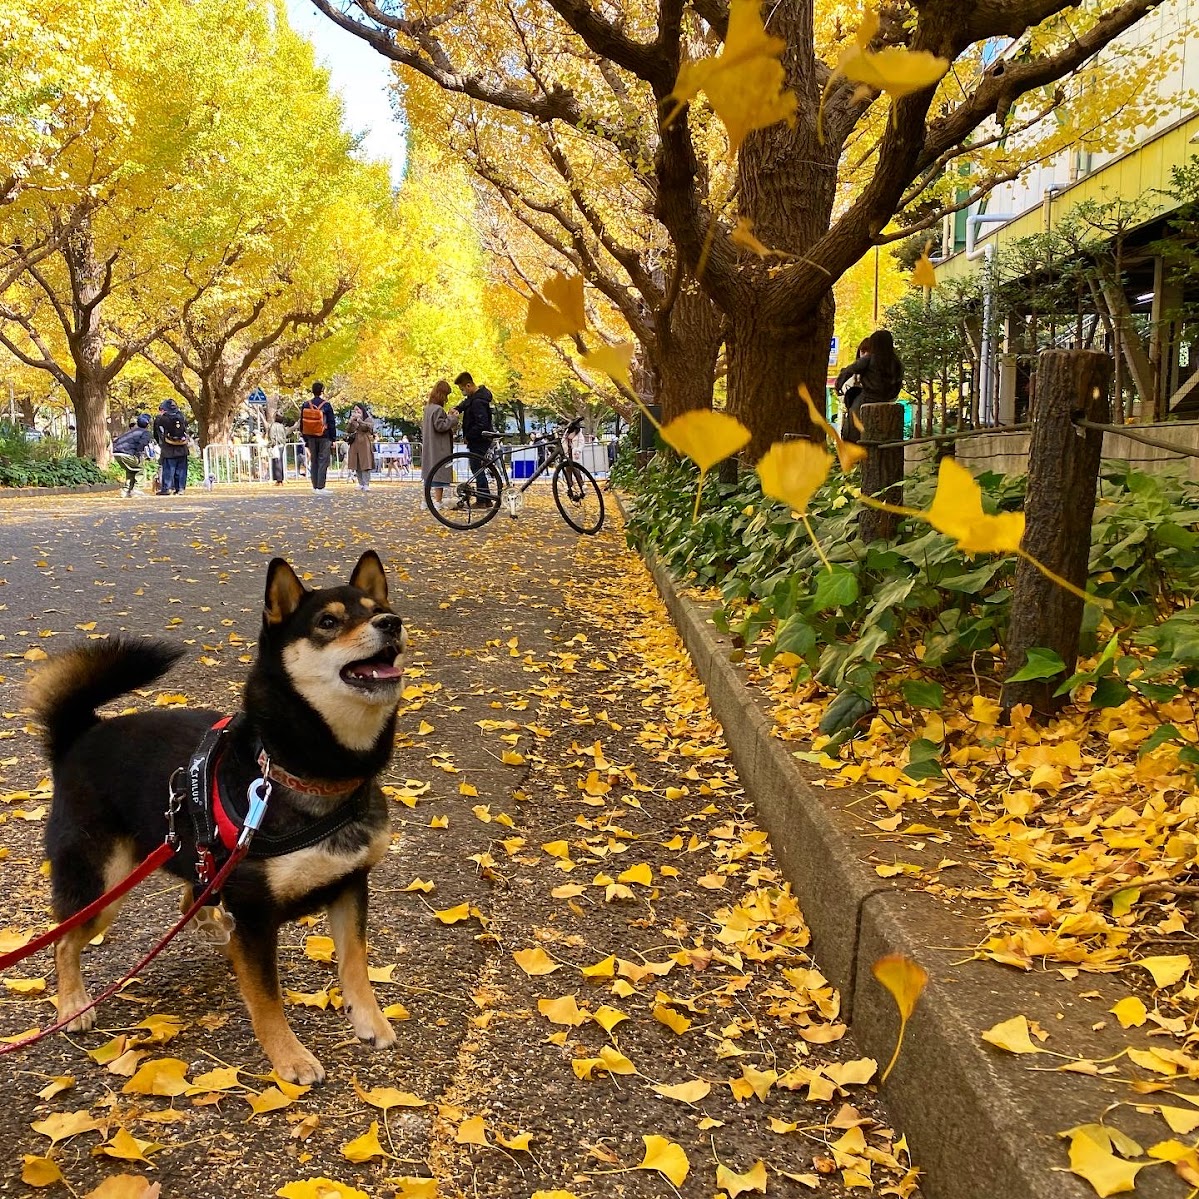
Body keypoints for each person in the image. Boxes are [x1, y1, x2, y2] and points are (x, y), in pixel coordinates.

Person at [834, 329, 904, 444]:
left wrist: (838, 387)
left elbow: (848, 371)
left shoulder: (869, 359)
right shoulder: (896, 362)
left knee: (853, 428)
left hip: (866, 399)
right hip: (887, 401)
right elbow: (898, 382)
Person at [453, 371, 495, 505]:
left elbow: (481, 424)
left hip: (479, 439)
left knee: (477, 468)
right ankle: (485, 498)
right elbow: (466, 402)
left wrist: (468, 436)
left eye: (462, 389)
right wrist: (458, 408)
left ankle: (483, 499)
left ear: (469, 385)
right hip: (479, 439)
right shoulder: (477, 398)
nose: (462, 392)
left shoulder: (478, 402)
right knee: (478, 467)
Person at [422, 379, 460, 508]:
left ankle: (426, 501)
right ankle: (437, 501)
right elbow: (441, 426)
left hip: (430, 445)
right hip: (439, 447)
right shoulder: (438, 409)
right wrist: (453, 418)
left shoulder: (428, 409)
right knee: (439, 475)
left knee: (429, 475)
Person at [299, 381, 335, 493]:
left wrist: (305, 438)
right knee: (323, 460)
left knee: (314, 460)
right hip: (324, 436)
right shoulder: (326, 405)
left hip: (310, 436)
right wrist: (333, 438)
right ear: (322, 391)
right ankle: (321, 486)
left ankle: (315, 486)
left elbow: (302, 423)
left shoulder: (306, 404)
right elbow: (331, 422)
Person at [153, 398, 191, 494]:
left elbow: (157, 434)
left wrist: (160, 444)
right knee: (181, 469)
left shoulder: (161, 419)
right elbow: (185, 430)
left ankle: (167, 488)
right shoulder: (181, 416)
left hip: (168, 448)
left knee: (169, 468)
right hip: (182, 447)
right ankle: (180, 489)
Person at [112, 414, 152, 498]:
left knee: (131, 470)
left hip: (116, 452)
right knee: (140, 468)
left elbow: (117, 440)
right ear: (148, 424)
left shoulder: (131, 431)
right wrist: (138, 455)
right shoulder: (146, 433)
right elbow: (142, 444)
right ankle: (137, 489)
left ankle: (126, 490)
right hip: (127, 453)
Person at [346, 403, 376, 492]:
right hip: (355, 443)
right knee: (357, 463)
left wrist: (360, 421)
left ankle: (366, 483)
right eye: (354, 410)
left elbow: (369, 427)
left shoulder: (368, 419)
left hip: (364, 442)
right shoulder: (353, 420)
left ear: (362, 410)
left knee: (365, 463)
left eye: (358, 409)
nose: (356, 412)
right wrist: (351, 422)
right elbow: (348, 430)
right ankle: (360, 483)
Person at [268, 413, 289, 485]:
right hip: (281, 445)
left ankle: (278, 479)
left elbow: (271, 436)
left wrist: (271, 444)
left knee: (276, 462)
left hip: (276, 445)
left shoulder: (273, 426)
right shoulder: (282, 426)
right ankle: (281, 479)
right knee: (280, 461)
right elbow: (284, 435)